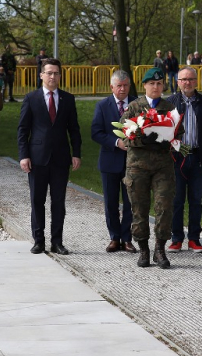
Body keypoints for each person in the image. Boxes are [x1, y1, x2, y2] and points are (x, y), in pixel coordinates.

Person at [18, 58, 82, 255]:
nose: (52, 76)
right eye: (49, 73)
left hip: (61, 158)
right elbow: (23, 129)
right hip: (37, 158)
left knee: (58, 202)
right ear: (41, 75)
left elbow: (74, 129)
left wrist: (76, 153)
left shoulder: (68, 99)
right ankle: (39, 241)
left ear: (60, 76)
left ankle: (57, 242)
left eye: (56, 73)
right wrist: (23, 156)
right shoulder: (31, 98)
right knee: (37, 201)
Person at [120, 68, 181, 269]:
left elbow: (179, 134)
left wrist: (167, 139)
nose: (156, 87)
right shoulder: (134, 107)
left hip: (162, 167)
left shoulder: (170, 108)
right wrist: (140, 137)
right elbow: (123, 133)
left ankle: (160, 249)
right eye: (152, 83)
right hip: (138, 167)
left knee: (164, 207)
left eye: (159, 83)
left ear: (163, 85)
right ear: (145, 85)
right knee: (139, 208)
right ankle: (144, 249)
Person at [167, 67, 202, 253]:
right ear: (178, 82)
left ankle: (194, 239)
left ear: (196, 81)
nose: (187, 82)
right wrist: (178, 149)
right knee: (177, 200)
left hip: (198, 158)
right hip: (176, 158)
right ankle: (176, 239)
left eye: (190, 79)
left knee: (196, 200)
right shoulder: (169, 103)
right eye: (183, 79)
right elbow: (163, 133)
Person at [91, 70, 137, 253]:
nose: (123, 89)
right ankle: (114, 237)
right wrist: (115, 142)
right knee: (110, 202)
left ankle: (127, 238)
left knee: (130, 202)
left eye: (126, 85)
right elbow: (96, 132)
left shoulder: (136, 104)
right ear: (112, 87)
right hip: (110, 161)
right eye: (119, 86)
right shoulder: (102, 105)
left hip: (132, 162)